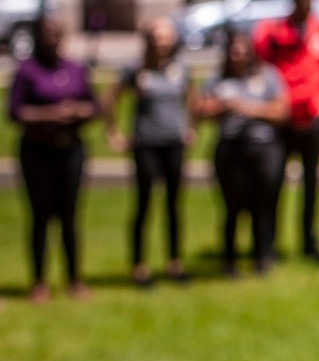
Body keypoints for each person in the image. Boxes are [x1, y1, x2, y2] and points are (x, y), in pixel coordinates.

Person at [254, 0, 319, 263]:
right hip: (282, 121)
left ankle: (308, 241)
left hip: (313, 119)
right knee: (273, 183)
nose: (306, 9)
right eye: (302, 3)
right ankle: (268, 244)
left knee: (311, 184)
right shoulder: (275, 32)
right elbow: (260, 62)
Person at [7, 15, 97, 302]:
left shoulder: (74, 68)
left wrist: (79, 111)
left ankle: (74, 278)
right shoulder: (27, 72)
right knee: (40, 216)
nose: (52, 39)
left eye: (57, 33)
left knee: (70, 216)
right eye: (47, 34)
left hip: (70, 149)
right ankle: (39, 281)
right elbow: (15, 113)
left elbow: (93, 105)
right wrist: (50, 114)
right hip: (38, 151)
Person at [105, 16, 193, 286]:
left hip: (173, 143)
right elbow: (110, 98)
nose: (162, 41)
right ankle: (139, 266)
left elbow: (194, 99)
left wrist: (191, 127)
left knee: (174, 205)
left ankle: (175, 262)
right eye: (157, 36)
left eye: (166, 36)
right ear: (149, 40)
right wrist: (114, 133)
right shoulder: (135, 69)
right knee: (144, 204)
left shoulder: (180, 69)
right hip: (146, 144)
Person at [196, 30, 291, 276]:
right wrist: (223, 106)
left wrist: (249, 108)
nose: (238, 57)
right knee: (232, 207)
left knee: (264, 204)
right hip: (230, 149)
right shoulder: (218, 78)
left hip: (263, 147)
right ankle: (230, 259)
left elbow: (283, 110)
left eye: (243, 52)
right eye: (234, 52)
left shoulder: (267, 74)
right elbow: (200, 108)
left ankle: (262, 256)